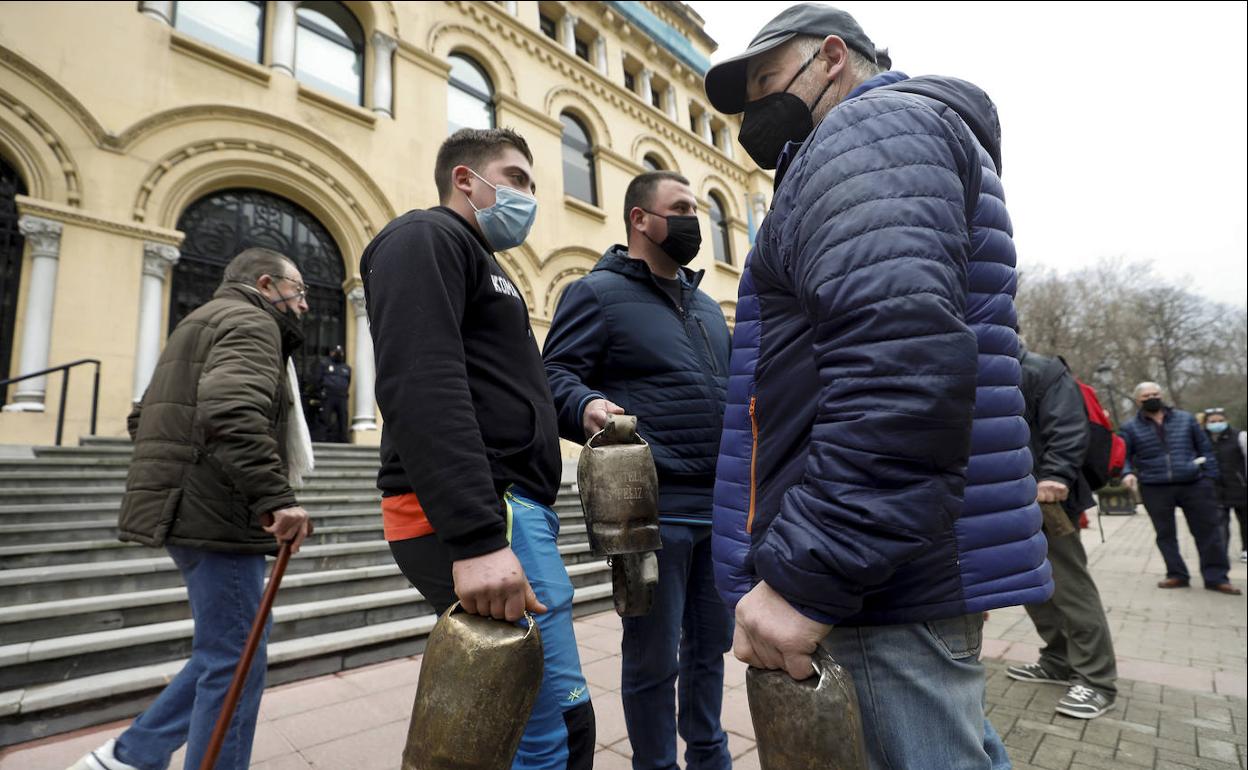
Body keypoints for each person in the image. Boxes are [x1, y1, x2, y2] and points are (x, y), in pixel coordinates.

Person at [702, 4, 1053, 767]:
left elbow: (901, 366)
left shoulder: (870, 133)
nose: (756, 108)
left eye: (768, 79)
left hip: (874, 584)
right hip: (896, 565)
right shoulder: (885, 142)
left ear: (833, 57)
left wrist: (809, 578)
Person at [360, 127, 594, 769]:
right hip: (488, 512)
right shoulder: (423, 238)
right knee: (544, 735)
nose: (528, 196)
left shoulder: (489, 267)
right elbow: (420, 381)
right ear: (466, 179)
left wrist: (578, 411)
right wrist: (476, 538)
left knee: (555, 721)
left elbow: (512, 387)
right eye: (515, 178)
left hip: (516, 510)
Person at [70, 248, 315, 770]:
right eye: (299, 291)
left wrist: (181, 470)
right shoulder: (252, 322)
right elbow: (228, 407)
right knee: (235, 659)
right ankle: (138, 755)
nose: (305, 306)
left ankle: (131, 755)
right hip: (216, 512)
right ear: (268, 284)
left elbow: (146, 418)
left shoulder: (200, 322)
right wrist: (275, 497)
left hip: (193, 507)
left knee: (229, 650)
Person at [543, 171, 734, 770]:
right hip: (652, 515)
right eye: (678, 208)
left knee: (711, 652)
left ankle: (710, 757)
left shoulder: (706, 306)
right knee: (654, 661)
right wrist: (586, 405)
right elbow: (552, 379)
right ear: (640, 219)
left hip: (719, 510)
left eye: (696, 209)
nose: (692, 221)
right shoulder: (595, 292)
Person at [1006, 350, 1118, 719]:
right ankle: (1057, 659)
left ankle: (1097, 680)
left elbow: (1068, 425)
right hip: (1007, 501)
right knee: (1032, 587)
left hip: (1048, 497)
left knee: (1069, 587)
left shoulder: (1042, 370)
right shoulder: (982, 368)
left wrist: (1055, 474)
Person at [1120, 384, 1239, 594]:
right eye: (1146, 396)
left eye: (1155, 394)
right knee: (1165, 534)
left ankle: (1216, 577)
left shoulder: (1185, 419)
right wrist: (1127, 473)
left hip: (1193, 483)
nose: (1152, 398)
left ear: (1162, 395)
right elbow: (1124, 456)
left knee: (1209, 531)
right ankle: (1176, 574)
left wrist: (1210, 477)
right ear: (1138, 401)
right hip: (1154, 486)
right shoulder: (1130, 427)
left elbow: (1205, 448)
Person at [1203, 408, 1247, 564]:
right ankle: (1221, 552)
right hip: (1216, 488)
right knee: (1220, 522)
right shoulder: (1202, 439)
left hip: (1240, 486)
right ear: (1206, 423)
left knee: (1244, 520)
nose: (1217, 424)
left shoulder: (1240, 437)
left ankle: (1245, 549)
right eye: (1212, 421)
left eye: (1220, 420)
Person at [315, 345, 351, 443]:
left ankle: (343, 440)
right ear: (331, 353)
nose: (338, 353)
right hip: (328, 395)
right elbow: (317, 380)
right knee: (325, 418)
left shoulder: (346, 368)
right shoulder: (324, 364)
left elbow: (348, 381)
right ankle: (322, 439)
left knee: (343, 419)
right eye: (336, 351)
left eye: (340, 352)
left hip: (342, 397)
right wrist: (320, 393)